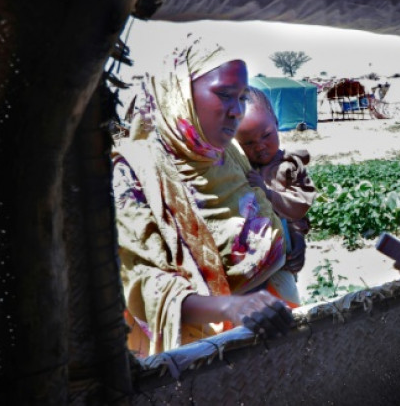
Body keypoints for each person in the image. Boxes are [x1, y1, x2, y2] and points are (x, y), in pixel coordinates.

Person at [112, 45, 299, 357]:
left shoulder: (227, 152)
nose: (238, 110)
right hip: (206, 349)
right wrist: (230, 306)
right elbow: (143, 284)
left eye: (241, 97)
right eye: (225, 94)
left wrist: (291, 236)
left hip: (274, 316)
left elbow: (260, 205)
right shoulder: (134, 172)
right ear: (181, 95)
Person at [235, 88, 316, 279]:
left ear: (277, 124)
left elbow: (299, 208)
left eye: (266, 135)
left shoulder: (290, 166)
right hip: (249, 261)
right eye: (248, 143)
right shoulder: (241, 169)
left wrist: (298, 240)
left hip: (283, 256)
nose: (260, 146)